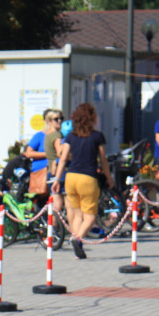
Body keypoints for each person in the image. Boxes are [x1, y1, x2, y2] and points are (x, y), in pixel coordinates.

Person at [53, 102, 113, 260]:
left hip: (71, 178)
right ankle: (76, 239)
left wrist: (57, 179)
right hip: (88, 178)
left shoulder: (70, 137)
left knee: (77, 214)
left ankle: (77, 247)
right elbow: (103, 160)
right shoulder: (97, 136)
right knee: (90, 217)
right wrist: (109, 177)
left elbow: (63, 158)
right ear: (92, 118)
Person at [42, 109, 65, 213]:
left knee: (55, 203)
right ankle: (55, 227)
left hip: (50, 171)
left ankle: (53, 227)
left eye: (61, 118)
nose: (60, 121)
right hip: (58, 172)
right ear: (50, 121)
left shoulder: (48, 135)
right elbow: (60, 152)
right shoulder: (56, 135)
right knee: (59, 204)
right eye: (56, 119)